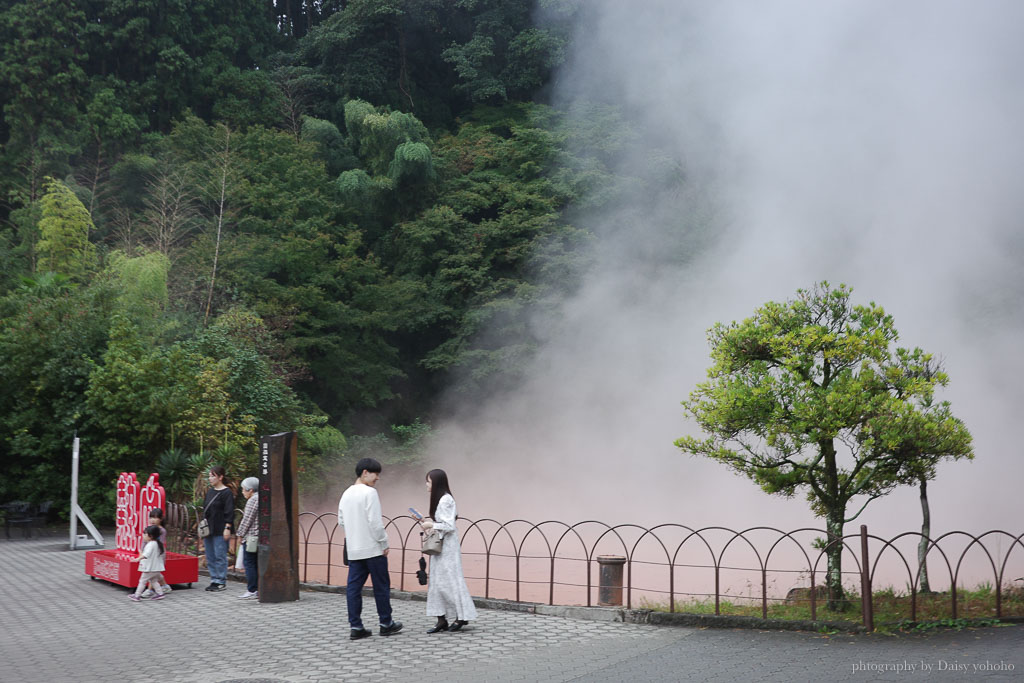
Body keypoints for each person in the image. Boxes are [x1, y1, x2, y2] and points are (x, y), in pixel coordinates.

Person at [337, 458, 403, 639]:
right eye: (376, 474)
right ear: (365, 472)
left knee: (353, 588)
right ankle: (386, 623)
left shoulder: (346, 493)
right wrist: (384, 543)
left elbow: (341, 521)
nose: (378, 478)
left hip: (354, 550)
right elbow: (375, 522)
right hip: (373, 549)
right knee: (381, 586)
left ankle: (356, 627)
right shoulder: (370, 493)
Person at [420, 469, 478, 633]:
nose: (426, 484)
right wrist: (426, 522)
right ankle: (441, 619)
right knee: (437, 581)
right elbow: (442, 524)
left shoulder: (445, 500)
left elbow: (449, 526)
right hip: (441, 545)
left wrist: (431, 525)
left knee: (450, 580)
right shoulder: (440, 500)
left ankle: (461, 616)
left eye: (429, 481)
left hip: (448, 547)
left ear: (436, 483)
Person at [202, 466, 235, 592]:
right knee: (210, 555)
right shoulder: (210, 492)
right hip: (209, 529)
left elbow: (229, 512)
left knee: (220, 555)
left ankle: (221, 580)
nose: (210, 478)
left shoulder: (227, 493)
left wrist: (227, 527)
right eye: (209, 476)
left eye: (213, 476)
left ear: (220, 477)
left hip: (220, 528)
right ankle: (214, 579)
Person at [235, 477, 260, 599]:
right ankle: (258, 588)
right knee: (256, 563)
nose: (242, 492)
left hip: (252, 537)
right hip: (260, 536)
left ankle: (252, 589)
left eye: (243, 489)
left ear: (250, 490)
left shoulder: (253, 500)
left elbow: (247, 520)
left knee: (249, 563)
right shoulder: (262, 497)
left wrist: (240, 534)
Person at [129, 525, 168, 601]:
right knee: (153, 581)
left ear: (151, 536)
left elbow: (146, 554)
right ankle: (160, 594)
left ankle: (137, 595)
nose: (143, 535)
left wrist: (137, 559)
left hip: (150, 568)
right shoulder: (157, 543)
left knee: (142, 581)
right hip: (155, 568)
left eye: (145, 534)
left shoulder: (151, 544)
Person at [140, 508, 170, 598]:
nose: (152, 520)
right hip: (148, 553)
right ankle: (165, 586)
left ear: (161, 519)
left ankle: (149, 590)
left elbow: (159, 544)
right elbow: (144, 541)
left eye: (155, 518)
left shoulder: (162, 531)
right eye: (151, 517)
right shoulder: (149, 529)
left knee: (151, 571)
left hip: (157, 554)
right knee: (155, 572)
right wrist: (142, 551)